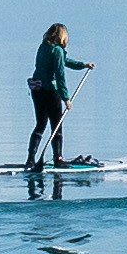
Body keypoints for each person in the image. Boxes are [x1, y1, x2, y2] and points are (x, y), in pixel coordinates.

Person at [27, 23, 91, 169]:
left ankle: (30, 160)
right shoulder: (57, 51)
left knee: (40, 124)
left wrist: (83, 65)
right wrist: (66, 98)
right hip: (50, 91)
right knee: (57, 126)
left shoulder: (44, 47)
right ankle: (58, 159)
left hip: (37, 90)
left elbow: (64, 61)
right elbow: (60, 75)